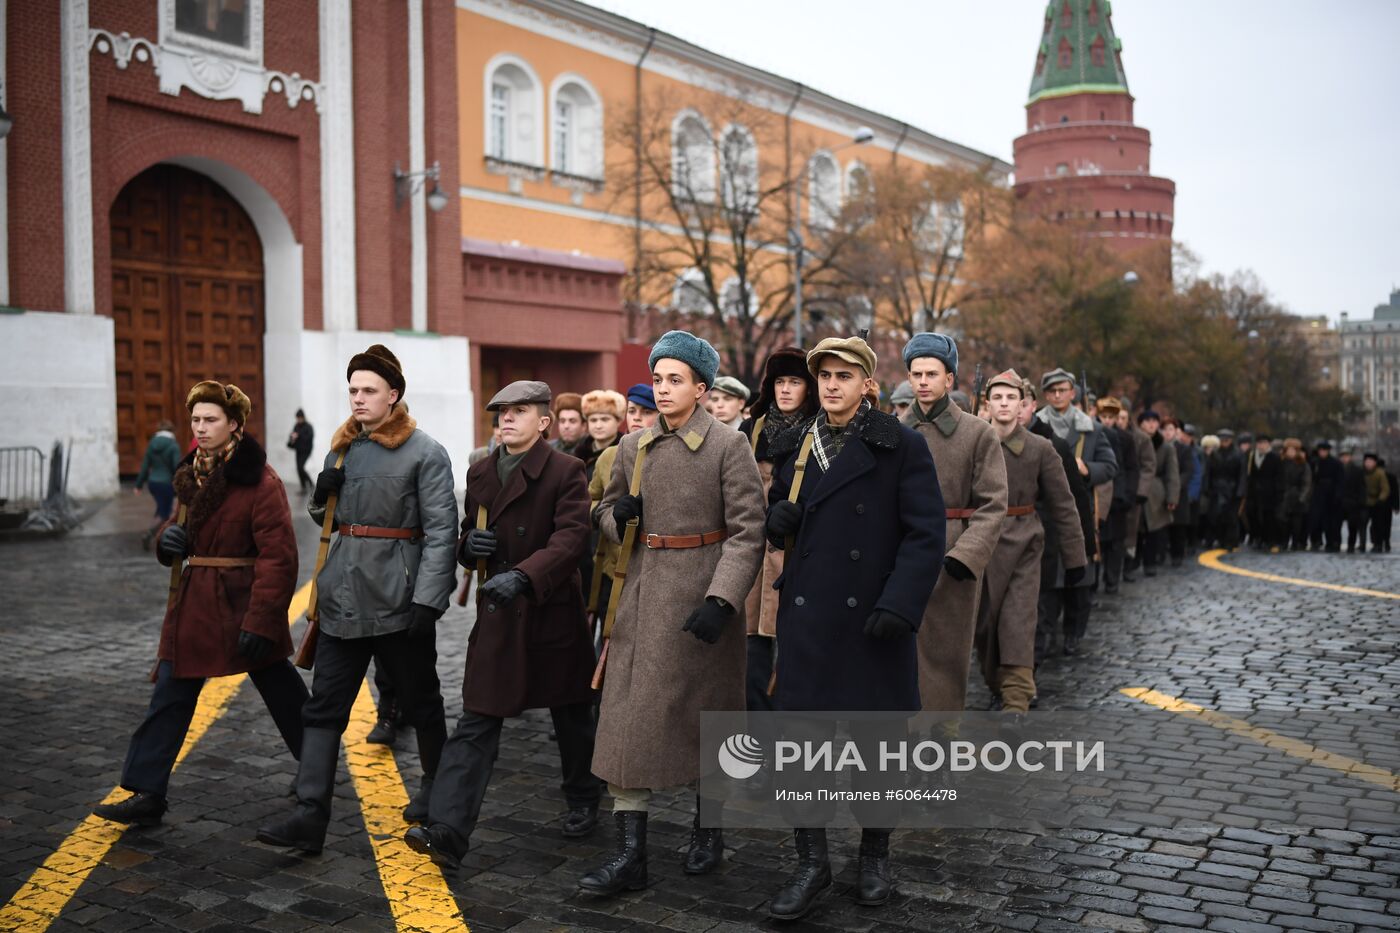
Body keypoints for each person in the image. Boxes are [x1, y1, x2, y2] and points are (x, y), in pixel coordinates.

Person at [761, 335, 944, 919]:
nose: (831, 386)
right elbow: (786, 514)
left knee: (877, 750)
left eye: (844, 376)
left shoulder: (901, 445)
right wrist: (777, 521)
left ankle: (874, 856)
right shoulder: (798, 442)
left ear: (867, 384)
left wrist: (900, 605)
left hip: (873, 620)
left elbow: (926, 534)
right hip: (809, 618)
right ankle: (811, 864)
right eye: (824, 376)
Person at [579, 331, 765, 896]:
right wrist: (617, 518)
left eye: (675, 380)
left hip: (701, 602)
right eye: (657, 379)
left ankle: (709, 828)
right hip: (638, 598)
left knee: (705, 718)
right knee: (626, 721)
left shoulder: (729, 445)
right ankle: (629, 854)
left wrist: (722, 599)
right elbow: (604, 510)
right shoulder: (633, 446)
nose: (662, 389)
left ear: (701, 389)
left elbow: (748, 530)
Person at [257, 344, 457, 855]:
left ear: (394, 395)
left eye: (369, 390)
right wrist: (321, 493)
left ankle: (437, 790)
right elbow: (326, 519)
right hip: (342, 600)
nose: (359, 398)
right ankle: (309, 816)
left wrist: (428, 599)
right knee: (323, 709)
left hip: (398, 601)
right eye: (352, 390)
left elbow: (442, 532)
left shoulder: (425, 451)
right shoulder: (341, 448)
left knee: (421, 701)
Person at [404, 381, 600, 870]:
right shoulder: (481, 470)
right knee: (477, 718)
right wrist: (467, 547)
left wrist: (525, 575)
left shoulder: (566, 470)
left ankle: (583, 797)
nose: (507, 419)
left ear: (544, 421)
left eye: (519, 411)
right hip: (499, 613)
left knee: (572, 716)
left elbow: (572, 538)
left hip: (550, 611)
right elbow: (470, 530)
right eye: (501, 412)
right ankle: (448, 830)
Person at [95, 382, 306, 826]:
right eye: (196, 419)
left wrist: (262, 620)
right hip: (195, 605)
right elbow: (181, 526)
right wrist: (167, 539)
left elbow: (279, 557)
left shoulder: (261, 480)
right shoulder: (191, 474)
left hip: (244, 603)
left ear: (234, 424)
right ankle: (147, 791)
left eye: (211, 419)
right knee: (169, 692)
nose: (201, 428)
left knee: (281, 689)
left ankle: (315, 768)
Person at [898, 333, 1006, 713]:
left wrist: (967, 555)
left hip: (952, 554)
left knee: (946, 654)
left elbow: (993, 504)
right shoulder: (893, 430)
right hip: (900, 549)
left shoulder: (978, 433)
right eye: (916, 374)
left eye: (932, 374)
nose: (923, 382)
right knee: (899, 649)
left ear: (949, 379)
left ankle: (940, 733)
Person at [977, 371, 1085, 712]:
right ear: (987, 404)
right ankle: (998, 684)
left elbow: (1064, 504)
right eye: (998, 398)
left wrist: (1076, 559)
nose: (1004, 404)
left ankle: (1017, 698)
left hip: (1025, 543)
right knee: (985, 626)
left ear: (1023, 404)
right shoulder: (975, 443)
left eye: (1011, 398)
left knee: (1019, 621)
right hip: (980, 543)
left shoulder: (1041, 448)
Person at [738, 347, 817, 713]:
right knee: (751, 655)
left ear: (808, 387)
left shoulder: (820, 431)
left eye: (795, 382)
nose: (785, 389)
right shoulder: (751, 430)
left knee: (797, 653)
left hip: (800, 557)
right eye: (780, 381)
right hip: (754, 557)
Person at [1034, 369, 1115, 654]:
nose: (1058, 395)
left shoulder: (1091, 428)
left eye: (1063, 390)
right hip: (1045, 509)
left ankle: (1073, 631)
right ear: (1046, 395)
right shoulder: (1035, 425)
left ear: (1072, 393)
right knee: (1049, 577)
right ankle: (1046, 632)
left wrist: (1087, 469)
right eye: (1052, 391)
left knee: (1080, 577)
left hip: (1080, 508)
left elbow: (1110, 466)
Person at [1093, 398, 1135, 594]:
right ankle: (1094, 583)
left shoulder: (1125, 438)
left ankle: (1112, 580)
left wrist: (1126, 494)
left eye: (1111, 417)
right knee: (1097, 540)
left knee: (1116, 542)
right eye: (1104, 417)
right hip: (1097, 493)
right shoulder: (1092, 434)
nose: (1108, 421)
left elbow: (1130, 468)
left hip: (1118, 496)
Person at [1137, 410, 1179, 575]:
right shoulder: (1134, 440)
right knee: (1135, 529)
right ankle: (1133, 562)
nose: (1151, 424)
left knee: (1153, 530)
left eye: (1154, 421)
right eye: (1147, 420)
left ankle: (1150, 563)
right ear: (1140, 423)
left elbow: (1172, 474)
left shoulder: (1166, 447)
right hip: (1136, 489)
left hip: (1156, 493)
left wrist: (1172, 497)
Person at [1120, 403, 1156, 579]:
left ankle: (1128, 566)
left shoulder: (1142, 438)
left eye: (1122, 417)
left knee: (1131, 531)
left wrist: (1141, 491)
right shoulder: (1105, 433)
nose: (1119, 421)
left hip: (1133, 490)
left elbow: (1148, 466)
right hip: (1113, 489)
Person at [134, 419, 182, 550]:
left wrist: (138, 485)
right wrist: (181, 483)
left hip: (153, 483)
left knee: (161, 509)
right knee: (165, 513)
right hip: (166, 484)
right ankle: (150, 535)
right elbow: (176, 467)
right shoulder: (173, 445)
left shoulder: (152, 444)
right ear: (171, 431)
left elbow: (145, 466)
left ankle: (158, 537)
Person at [1162, 419, 1195, 568]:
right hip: (1162, 491)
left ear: (1176, 431)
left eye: (1170, 429)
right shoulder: (1158, 447)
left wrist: (1175, 485)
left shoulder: (1184, 449)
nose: (1167, 433)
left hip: (1180, 493)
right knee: (1162, 526)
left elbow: (1188, 471)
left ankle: (1177, 554)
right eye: (1165, 429)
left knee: (1178, 527)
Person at [1243, 435, 1281, 552]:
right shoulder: (1252, 456)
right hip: (1254, 492)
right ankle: (1257, 538)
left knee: (1269, 517)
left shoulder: (1274, 457)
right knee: (1253, 515)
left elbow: (1279, 476)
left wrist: (1277, 492)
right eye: (1259, 443)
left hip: (1269, 492)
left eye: (1264, 443)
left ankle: (1269, 540)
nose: (1261, 445)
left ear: (1269, 444)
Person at [1209, 429, 1243, 550]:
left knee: (1232, 517)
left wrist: (1240, 490)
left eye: (1227, 440)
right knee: (1218, 516)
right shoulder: (1214, 453)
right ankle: (1220, 539)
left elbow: (1241, 474)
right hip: (1217, 488)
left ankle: (1231, 540)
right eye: (1222, 439)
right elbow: (1210, 472)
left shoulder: (1238, 454)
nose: (1224, 442)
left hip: (1232, 489)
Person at [1277, 438, 1312, 552]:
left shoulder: (1303, 464)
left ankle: (1295, 543)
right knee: (1283, 523)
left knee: (1296, 524)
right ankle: (1284, 542)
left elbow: (1306, 483)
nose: (1291, 452)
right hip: (1283, 496)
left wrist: (1302, 498)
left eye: (1293, 450)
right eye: (1289, 449)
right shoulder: (1280, 463)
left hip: (1297, 497)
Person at [1307, 442, 1343, 552]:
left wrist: (1337, 494)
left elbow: (1340, 480)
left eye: (1324, 450)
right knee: (1315, 519)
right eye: (1320, 450)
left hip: (1331, 495)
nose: (1322, 452)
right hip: (1317, 494)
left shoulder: (1336, 463)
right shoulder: (1314, 462)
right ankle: (1316, 541)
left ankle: (1332, 542)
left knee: (1331, 522)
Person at [1341, 449, 1368, 553]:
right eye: (1343, 456)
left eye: (1346, 456)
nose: (1344, 458)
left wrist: (1360, 501)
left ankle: (1351, 545)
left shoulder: (1357, 471)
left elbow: (1362, 487)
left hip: (1353, 502)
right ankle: (1336, 543)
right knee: (1336, 526)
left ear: (1350, 457)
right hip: (1340, 502)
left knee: (1352, 526)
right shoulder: (1338, 469)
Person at [1365, 453, 1392, 553]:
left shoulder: (1380, 474)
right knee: (1365, 524)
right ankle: (1371, 542)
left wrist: (1381, 499)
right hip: (1365, 502)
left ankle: (1379, 543)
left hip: (1378, 503)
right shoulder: (1362, 473)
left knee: (1379, 524)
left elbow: (1386, 489)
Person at [287, 409, 315, 495]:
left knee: (301, 468)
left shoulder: (308, 426)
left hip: (306, 450)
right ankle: (304, 487)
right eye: (297, 418)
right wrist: (292, 437)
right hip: (298, 450)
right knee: (299, 469)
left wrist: (298, 435)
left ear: (303, 417)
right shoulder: (296, 426)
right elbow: (292, 435)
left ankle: (310, 483)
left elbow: (309, 438)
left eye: (300, 418)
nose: (298, 420)